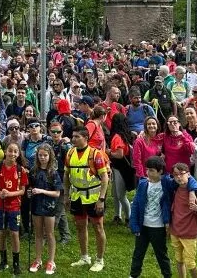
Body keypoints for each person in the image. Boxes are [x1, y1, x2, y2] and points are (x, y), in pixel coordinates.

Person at [64, 126, 109, 273]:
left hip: (94, 196)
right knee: (80, 226)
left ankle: (99, 259)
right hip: (77, 196)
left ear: (85, 138)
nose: (73, 139)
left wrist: (101, 199)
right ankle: (84, 257)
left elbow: (104, 177)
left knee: (98, 227)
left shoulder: (95, 154)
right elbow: (66, 176)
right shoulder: (70, 153)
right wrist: (66, 195)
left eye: (77, 136)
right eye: (73, 136)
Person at [128, 156, 172, 278]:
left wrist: (192, 191)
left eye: (152, 170)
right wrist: (134, 225)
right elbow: (136, 204)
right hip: (143, 226)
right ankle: (133, 275)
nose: (148, 173)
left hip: (158, 227)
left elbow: (187, 181)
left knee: (161, 254)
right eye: (147, 169)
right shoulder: (143, 184)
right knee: (138, 253)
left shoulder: (167, 183)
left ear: (160, 171)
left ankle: (167, 275)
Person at [0, 141, 28, 275]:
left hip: (14, 206)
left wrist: (10, 193)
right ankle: (3, 261)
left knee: (14, 233)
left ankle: (16, 263)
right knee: (1, 232)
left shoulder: (20, 170)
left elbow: (22, 190)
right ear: (5, 151)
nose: (12, 153)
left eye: (15, 151)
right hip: (0, 205)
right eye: (10, 151)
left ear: (18, 154)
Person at [169, 162, 197, 278]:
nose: (178, 177)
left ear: (189, 174)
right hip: (175, 231)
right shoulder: (174, 188)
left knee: (190, 263)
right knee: (179, 260)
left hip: (189, 233)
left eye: (181, 174)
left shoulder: (196, 192)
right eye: (175, 175)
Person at [28, 144, 61, 275]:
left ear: (50, 156)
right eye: (40, 155)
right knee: (38, 233)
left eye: (45, 155)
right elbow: (29, 187)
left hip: (49, 207)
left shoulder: (53, 172)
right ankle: (38, 259)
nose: (42, 158)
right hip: (36, 206)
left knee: (50, 234)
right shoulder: (34, 171)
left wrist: (41, 191)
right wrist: (30, 192)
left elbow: (57, 193)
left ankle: (51, 261)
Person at [109, 113, 135, 226]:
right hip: (124, 167)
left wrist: (108, 152)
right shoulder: (128, 134)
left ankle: (129, 218)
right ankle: (117, 215)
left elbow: (119, 154)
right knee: (115, 193)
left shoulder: (116, 137)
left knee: (120, 195)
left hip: (120, 167)